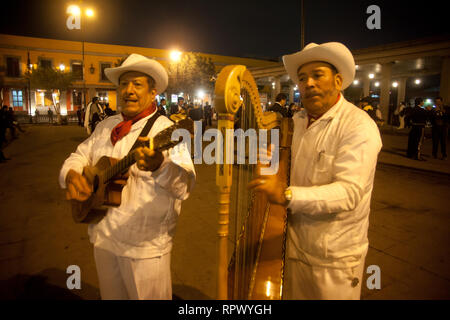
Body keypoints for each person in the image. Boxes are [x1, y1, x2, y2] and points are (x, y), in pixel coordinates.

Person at [248, 42, 382, 300]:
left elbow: (350, 193)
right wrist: (270, 167)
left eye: (317, 75)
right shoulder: (298, 122)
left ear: (339, 81)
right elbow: (292, 169)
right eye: (301, 78)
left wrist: (287, 195)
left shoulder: (359, 126)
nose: (308, 83)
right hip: (295, 244)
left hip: (334, 258)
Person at [59, 53, 196, 300]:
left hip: (144, 248)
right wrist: (71, 175)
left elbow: (184, 186)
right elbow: (79, 155)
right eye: (124, 84)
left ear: (153, 93)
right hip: (103, 238)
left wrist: (159, 166)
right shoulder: (106, 125)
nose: (128, 90)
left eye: (137, 84)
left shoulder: (165, 130)